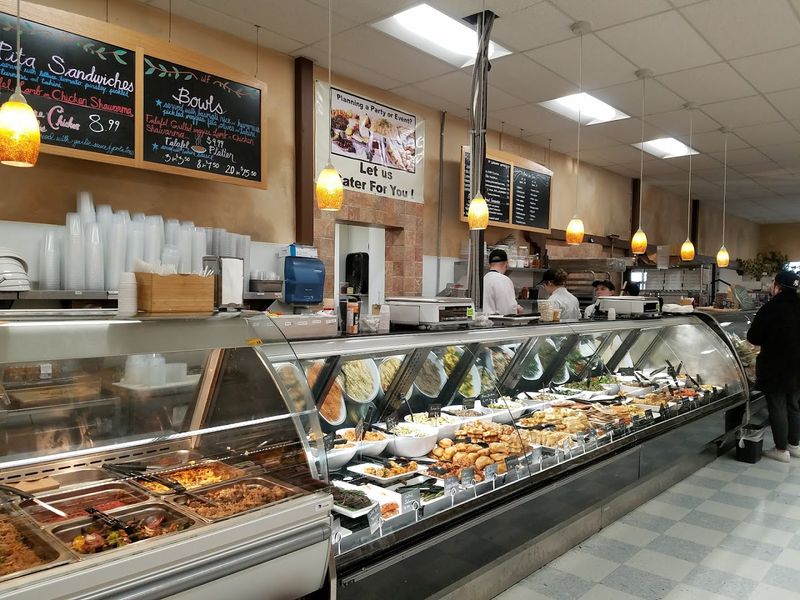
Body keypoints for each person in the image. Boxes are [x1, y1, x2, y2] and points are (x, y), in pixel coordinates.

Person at [746, 270, 800, 463]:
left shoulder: (770, 308)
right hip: (798, 367)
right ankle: (794, 445)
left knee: (777, 406)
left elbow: (754, 337)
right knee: (794, 404)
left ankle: (781, 449)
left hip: (775, 367)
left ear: (777, 286)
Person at [483, 249, 523, 316]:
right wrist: (516, 309)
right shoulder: (504, 280)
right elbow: (508, 310)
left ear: (489, 264)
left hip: (482, 321)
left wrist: (515, 307)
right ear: (506, 264)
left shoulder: (484, 279)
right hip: (496, 322)